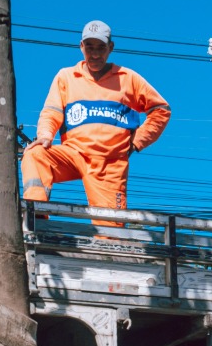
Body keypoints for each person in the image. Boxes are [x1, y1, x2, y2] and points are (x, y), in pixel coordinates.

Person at [22, 20, 170, 212]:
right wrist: (45, 136)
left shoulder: (127, 78)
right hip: (73, 154)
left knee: (111, 233)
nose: (95, 54)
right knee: (35, 154)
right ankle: (36, 215)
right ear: (81, 46)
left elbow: (161, 109)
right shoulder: (66, 77)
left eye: (101, 47)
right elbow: (52, 112)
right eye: (89, 47)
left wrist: (137, 142)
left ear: (111, 47)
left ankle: (110, 236)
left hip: (110, 165)